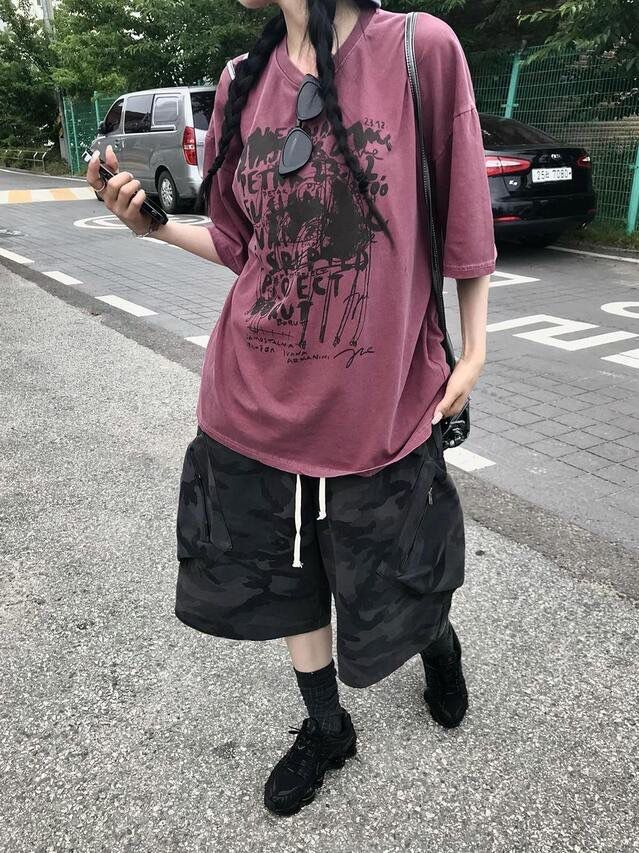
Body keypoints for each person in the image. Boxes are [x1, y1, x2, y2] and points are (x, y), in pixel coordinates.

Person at [86, 0, 496, 818]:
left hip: (379, 402)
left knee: (398, 570)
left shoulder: (418, 48)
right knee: (287, 577)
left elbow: (462, 218)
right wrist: (150, 227)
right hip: (252, 397)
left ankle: (435, 640)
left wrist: (475, 347)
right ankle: (326, 727)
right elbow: (240, 246)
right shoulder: (242, 79)